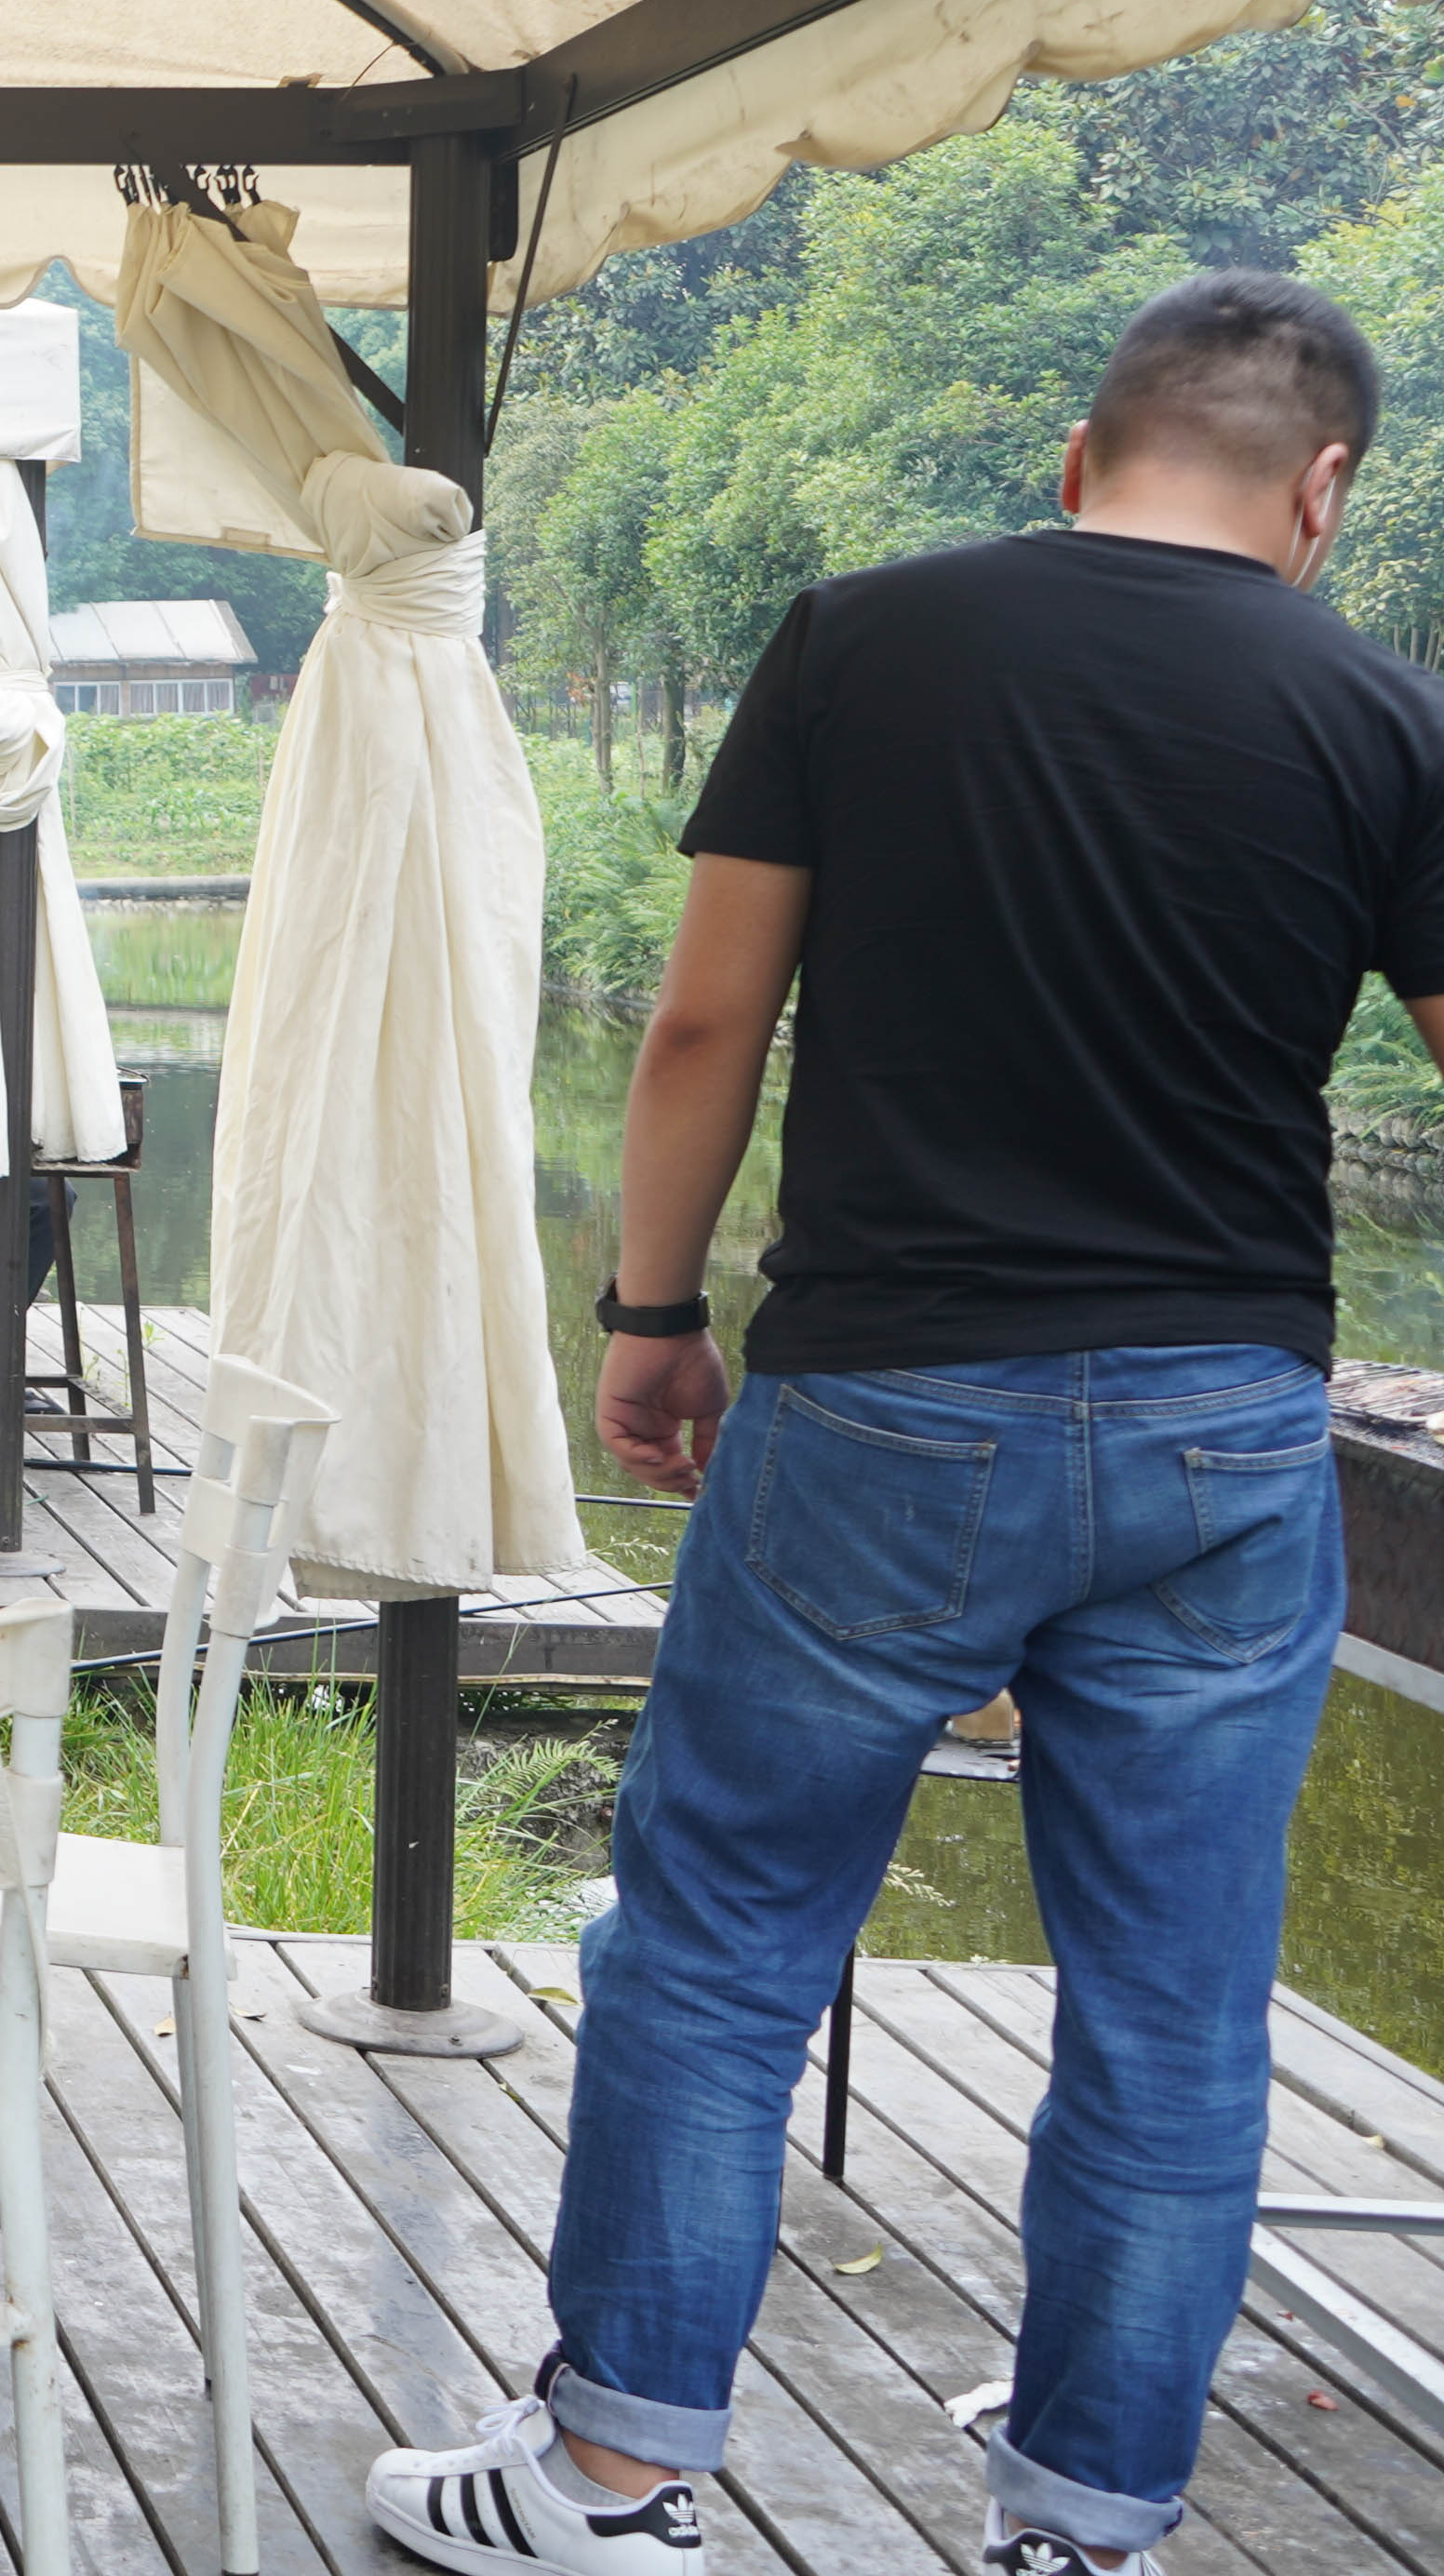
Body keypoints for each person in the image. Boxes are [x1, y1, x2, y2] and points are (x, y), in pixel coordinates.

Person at [373, 274, 1444, 2576]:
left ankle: (615, 2477)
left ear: (1080, 454)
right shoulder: (1385, 712)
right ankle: (1085, 2532)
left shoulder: (860, 639)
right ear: (1323, 488)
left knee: (717, 1947)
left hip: (885, 1408)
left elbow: (701, 1026)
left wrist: (652, 1310)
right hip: (1223, 1433)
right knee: (1174, 2014)